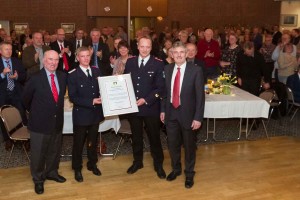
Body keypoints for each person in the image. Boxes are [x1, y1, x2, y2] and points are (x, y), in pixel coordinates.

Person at [160, 41, 205, 189]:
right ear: (171, 55)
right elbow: (165, 94)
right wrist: (163, 110)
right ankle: (176, 169)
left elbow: (200, 97)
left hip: (188, 115)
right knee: (172, 145)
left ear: (186, 54)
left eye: (181, 52)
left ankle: (189, 174)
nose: (178, 55)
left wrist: (198, 117)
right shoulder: (167, 69)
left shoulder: (196, 70)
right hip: (171, 113)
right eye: (176, 52)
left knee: (189, 146)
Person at [23, 50, 67, 195]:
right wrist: (37, 112)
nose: (53, 62)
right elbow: (25, 100)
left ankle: (52, 172)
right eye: (50, 59)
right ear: (43, 60)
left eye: (56, 60)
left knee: (54, 151)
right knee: (38, 154)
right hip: (39, 124)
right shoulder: (34, 78)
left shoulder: (62, 76)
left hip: (57, 122)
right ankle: (38, 179)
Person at [124, 36, 166, 179]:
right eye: (142, 46)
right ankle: (138, 161)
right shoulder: (130, 62)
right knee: (136, 136)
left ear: (151, 47)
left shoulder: (159, 64)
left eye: (148, 47)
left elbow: (161, 88)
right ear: (137, 46)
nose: (145, 49)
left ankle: (158, 164)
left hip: (150, 107)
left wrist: (146, 100)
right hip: (133, 107)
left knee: (154, 137)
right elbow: (126, 82)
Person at [68, 46, 104, 182]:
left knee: (92, 141)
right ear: (77, 58)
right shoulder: (72, 74)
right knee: (78, 143)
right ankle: (77, 168)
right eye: (82, 56)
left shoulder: (96, 71)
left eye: (87, 56)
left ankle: (92, 163)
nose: (85, 58)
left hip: (95, 114)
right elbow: (73, 97)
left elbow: (102, 88)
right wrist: (92, 101)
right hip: (81, 114)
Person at [0, 41, 27, 149]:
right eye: (6, 49)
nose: (9, 51)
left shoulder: (16, 61)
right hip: (2, 94)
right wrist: (3, 74)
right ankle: (8, 139)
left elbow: (24, 75)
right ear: (1, 51)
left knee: (21, 114)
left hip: (16, 93)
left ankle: (24, 138)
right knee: (4, 117)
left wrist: (16, 77)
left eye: (10, 49)